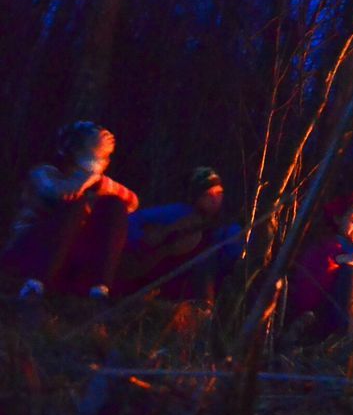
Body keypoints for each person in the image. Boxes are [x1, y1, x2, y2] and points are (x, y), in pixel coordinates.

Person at [1, 121, 138, 300]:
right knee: (75, 206)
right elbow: (61, 193)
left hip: (67, 259)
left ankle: (100, 289)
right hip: (29, 251)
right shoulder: (44, 173)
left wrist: (94, 178)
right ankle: (33, 286)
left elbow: (131, 201)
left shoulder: (97, 183)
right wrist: (89, 174)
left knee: (114, 204)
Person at [118, 167, 228, 301]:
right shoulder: (180, 213)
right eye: (207, 194)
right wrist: (141, 241)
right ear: (195, 197)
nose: (214, 199)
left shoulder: (226, 227)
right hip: (150, 274)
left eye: (218, 193)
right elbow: (134, 219)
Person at [284, 193, 353, 342]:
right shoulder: (322, 247)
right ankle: (348, 337)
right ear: (338, 219)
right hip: (324, 313)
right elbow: (306, 291)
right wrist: (337, 262)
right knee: (351, 270)